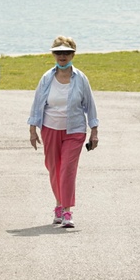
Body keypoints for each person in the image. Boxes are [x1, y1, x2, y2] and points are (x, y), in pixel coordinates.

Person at [28, 36, 99, 228]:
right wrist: (33, 129)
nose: (62, 56)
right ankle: (58, 204)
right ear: (53, 54)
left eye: (66, 52)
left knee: (67, 169)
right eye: (58, 52)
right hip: (50, 129)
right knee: (54, 169)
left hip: (74, 131)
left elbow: (90, 105)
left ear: (73, 54)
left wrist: (94, 131)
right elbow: (37, 104)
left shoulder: (81, 78)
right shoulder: (47, 78)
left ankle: (67, 211)